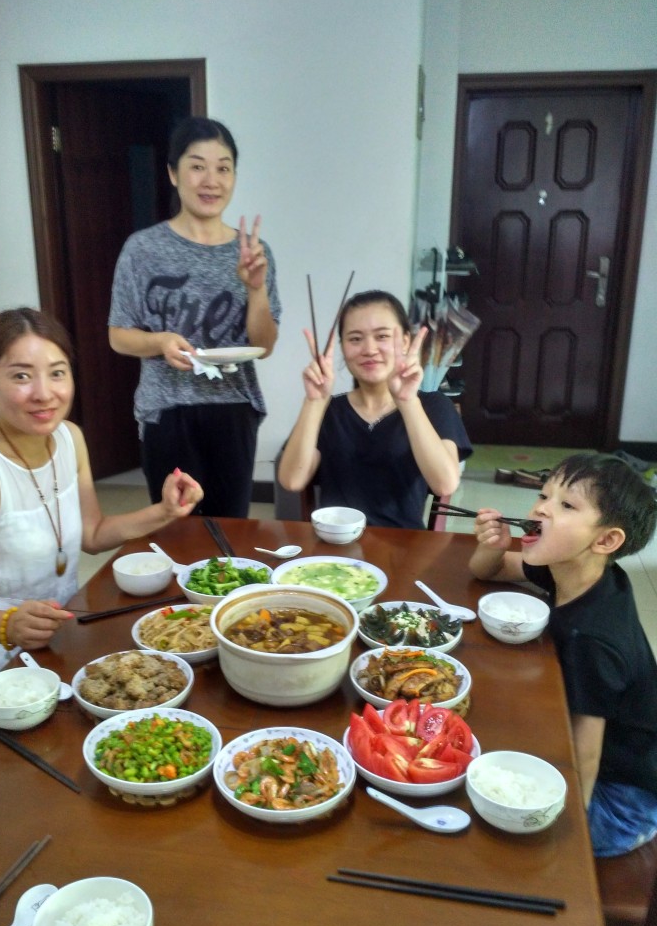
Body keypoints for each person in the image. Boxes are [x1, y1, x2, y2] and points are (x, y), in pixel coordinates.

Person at [0, 308, 203, 737]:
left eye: (57, 373)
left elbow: (92, 534)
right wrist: (7, 625)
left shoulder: (68, 438)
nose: (43, 393)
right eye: (21, 376)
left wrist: (163, 512)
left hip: (57, 651)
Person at [469, 453, 657, 857]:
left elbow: (585, 755)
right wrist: (496, 547)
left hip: (621, 804)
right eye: (544, 494)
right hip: (608, 772)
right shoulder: (574, 567)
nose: (540, 508)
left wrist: (568, 841)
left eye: (566, 505)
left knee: (483, 816)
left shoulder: (593, 639)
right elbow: (491, 570)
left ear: (606, 540)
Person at [108, 115, 281, 518]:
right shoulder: (142, 249)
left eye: (223, 167)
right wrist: (159, 342)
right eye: (197, 166)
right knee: (175, 527)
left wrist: (255, 287)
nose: (211, 180)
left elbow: (265, 345)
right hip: (166, 410)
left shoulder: (255, 252)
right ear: (173, 173)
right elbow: (118, 334)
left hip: (233, 407)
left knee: (230, 530)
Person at [277, 289, 472, 528]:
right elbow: (292, 481)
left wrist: (407, 401)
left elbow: (445, 483)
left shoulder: (434, 406)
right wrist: (314, 401)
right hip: (332, 548)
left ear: (406, 341)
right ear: (343, 347)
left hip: (404, 548)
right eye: (355, 339)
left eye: (382, 336)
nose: (369, 349)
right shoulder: (329, 410)